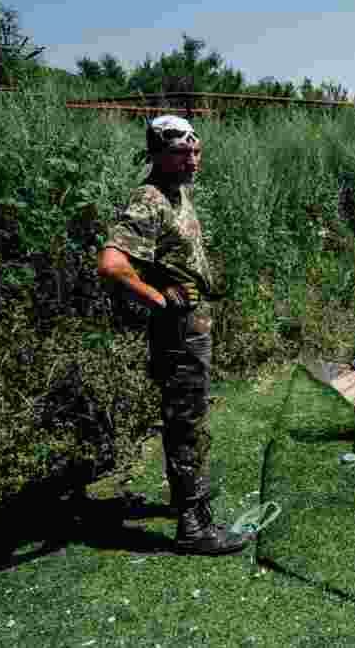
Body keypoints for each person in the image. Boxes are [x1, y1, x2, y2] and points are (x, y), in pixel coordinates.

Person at [97, 115, 253, 556]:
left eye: (196, 152)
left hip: (193, 323)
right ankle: (194, 528)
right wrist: (156, 297)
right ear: (157, 155)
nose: (192, 160)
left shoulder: (176, 191)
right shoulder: (149, 198)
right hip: (179, 328)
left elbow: (164, 254)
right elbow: (111, 264)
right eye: (182, 154)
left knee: (190, 414)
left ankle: (186, 497)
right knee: (187, 421)